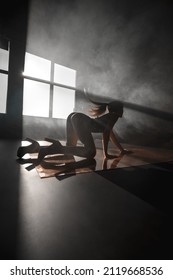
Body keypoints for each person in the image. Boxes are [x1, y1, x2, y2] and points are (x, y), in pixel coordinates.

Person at [17, 98, 130, 164]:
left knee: (68, 154)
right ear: (118, 110)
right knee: (91, 153)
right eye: (122, 109)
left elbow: (110, 134)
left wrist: (121, 150)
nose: (123, 111)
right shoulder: (113, 116)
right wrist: (106, 154)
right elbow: (106, 134)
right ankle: (50, 149)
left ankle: (37, 148)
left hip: (74, 117)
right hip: (81, 120)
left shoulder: (109, 117)